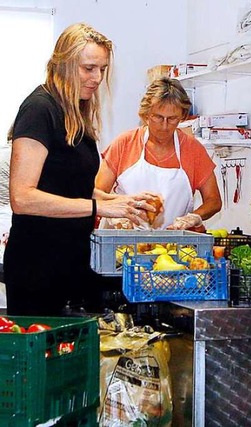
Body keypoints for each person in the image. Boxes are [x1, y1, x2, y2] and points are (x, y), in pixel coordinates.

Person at [5, 23, 155, 316]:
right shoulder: (39, 110)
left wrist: (119, 202)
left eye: (102, 69)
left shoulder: (76, 110)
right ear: (63, 64)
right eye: (88, 68)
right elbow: (22, 198)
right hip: (37, 266)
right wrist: (98, 207)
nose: (97, 78)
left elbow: (69, 186)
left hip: (70, 262)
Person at [95, 77, 222, 231]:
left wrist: (194, 217)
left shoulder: (193, 149)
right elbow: (98, 193)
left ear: (182, 116)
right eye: (158, 117)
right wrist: (116, 215)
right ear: (146, 114)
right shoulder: (125, 144)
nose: (164, 126)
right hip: (121, 242)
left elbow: (214, 201)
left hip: (172, 247)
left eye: (172, 119)